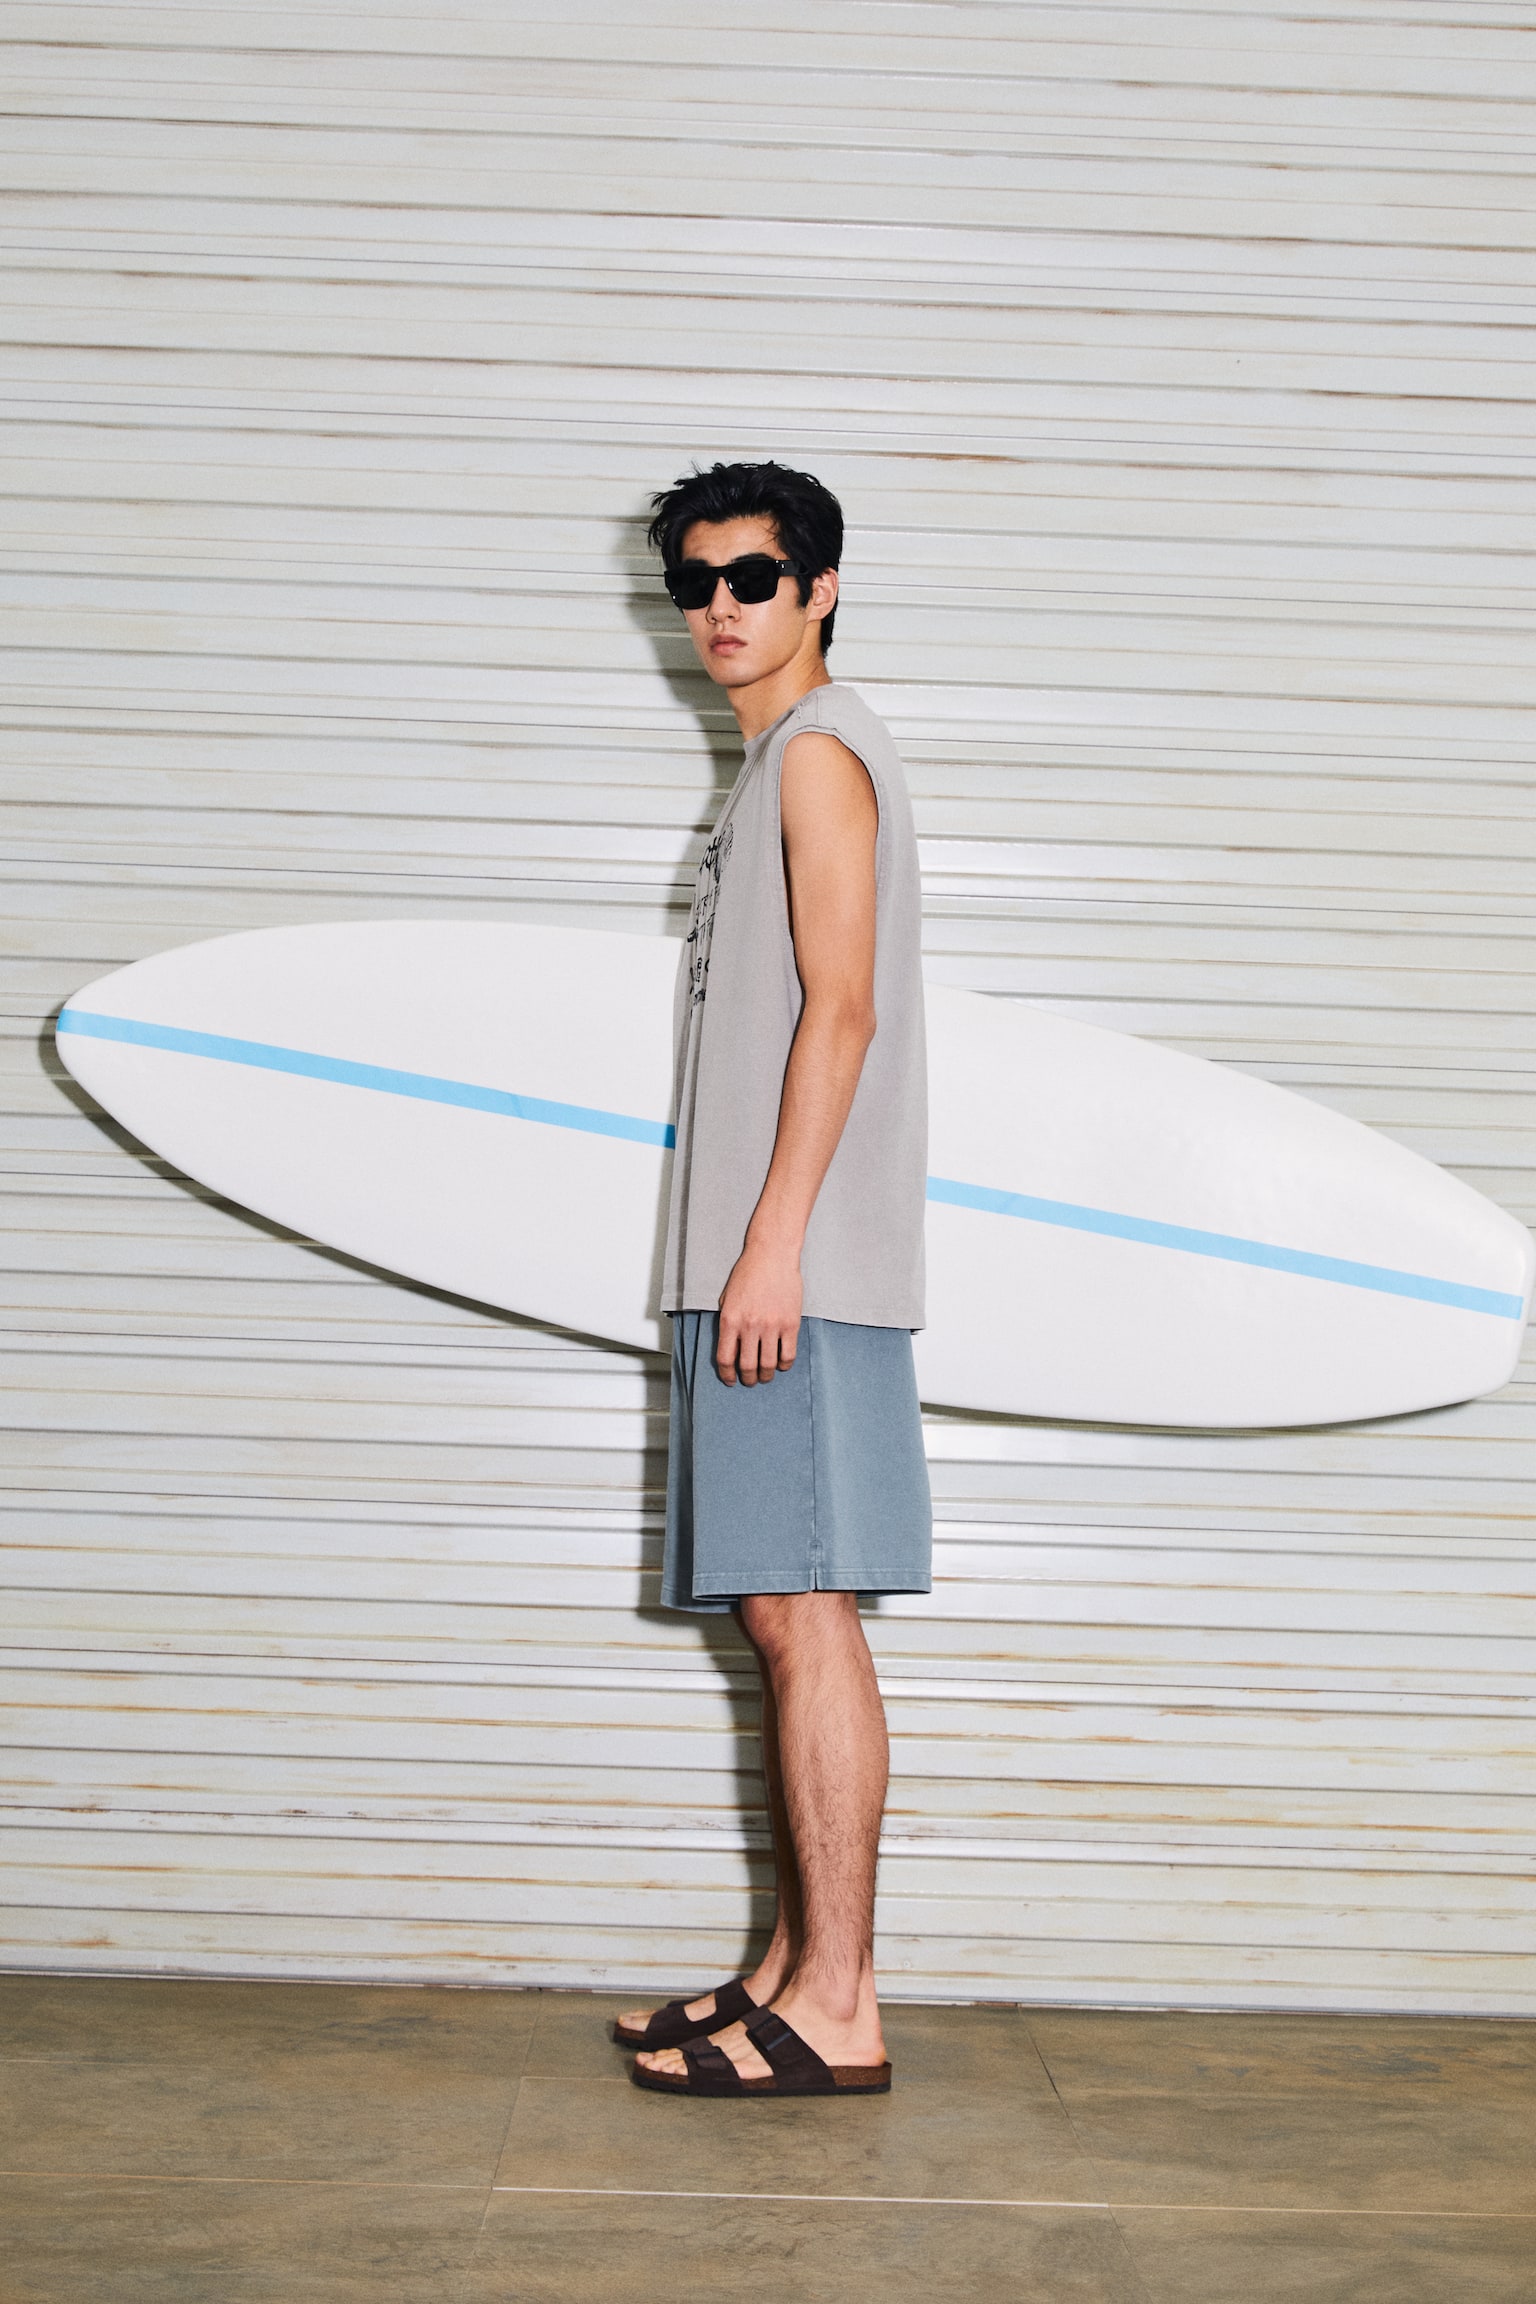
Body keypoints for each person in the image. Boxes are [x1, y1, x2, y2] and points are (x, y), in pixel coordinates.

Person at [618, 461, 930, 2100]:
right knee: (777, 1606)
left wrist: (773, 1242)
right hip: (765, 1259)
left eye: (754, 576)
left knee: (806, 1613)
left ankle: (840, 2005)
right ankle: (790, 1974)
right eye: (695, 581)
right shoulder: (777, 765)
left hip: (791, 1266)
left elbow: (843, 1007)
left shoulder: (818, 755)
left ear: (820, 588)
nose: (721, 607)